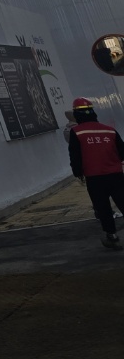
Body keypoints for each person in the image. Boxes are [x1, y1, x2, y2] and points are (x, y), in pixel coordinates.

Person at [65, 97, 124, 249]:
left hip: (95, 177)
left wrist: (78, 173)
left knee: (103, 207)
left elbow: (75, 155)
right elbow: (122, 152)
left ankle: (112, 237)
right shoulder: (109, 130)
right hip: (116, 175)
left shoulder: (77, 132)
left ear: (76, 114)